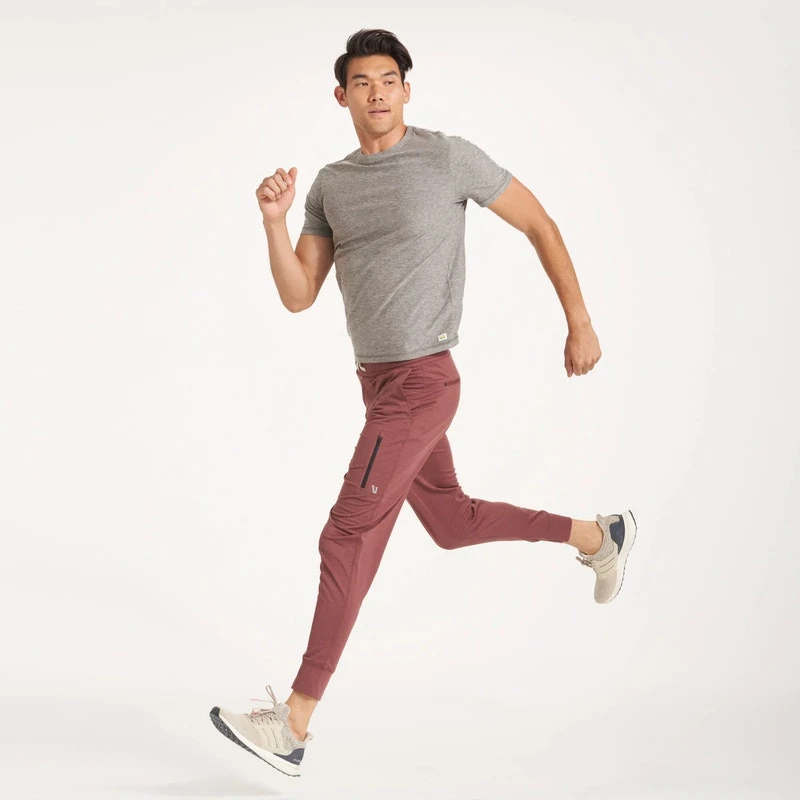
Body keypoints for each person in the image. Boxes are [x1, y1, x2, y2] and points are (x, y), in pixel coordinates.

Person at [209, 28, 637, 778]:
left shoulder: (447, 158)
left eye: (389, 80)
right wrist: (275, 223)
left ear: (407, 89)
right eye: (362, 83)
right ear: (341, 96)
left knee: (346, 534)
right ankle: (598, 536)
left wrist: (579, 319)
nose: (377, 93)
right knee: (450, 521)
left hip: (421, 383)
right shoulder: (331, 185)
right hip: (379, 385)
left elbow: (538, 223)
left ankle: (294, 723)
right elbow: (299, 294)